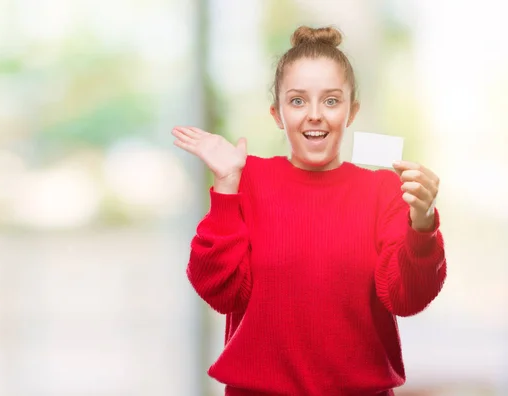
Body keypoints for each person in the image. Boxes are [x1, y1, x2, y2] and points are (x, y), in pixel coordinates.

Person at [172, 25, 447, 396]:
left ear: (351, 112)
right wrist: (225, 185)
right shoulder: (248, 179)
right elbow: (221, 293)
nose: (315, 114)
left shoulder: (383, 191)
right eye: (298, 100)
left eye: (331, 100)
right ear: (277, 113)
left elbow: (407, 298)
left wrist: (423, 224)